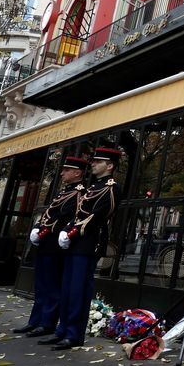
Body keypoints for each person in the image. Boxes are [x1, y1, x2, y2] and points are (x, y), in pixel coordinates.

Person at [42, 147, 121, 350]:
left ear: (110, 166)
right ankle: (63, 330)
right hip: (75, 242)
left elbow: (98, 216)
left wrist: (72, 231)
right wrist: (67, 230)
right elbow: (78, 213)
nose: (93, 164)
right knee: (67, 288)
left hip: (89, 243)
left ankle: (74, 334)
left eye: (98, 162)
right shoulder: (94, 186)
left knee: (78, 290)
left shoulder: (112, 188)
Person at [12, 156, 88, 338]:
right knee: (41, 285)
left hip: (56, 245)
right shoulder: (64, 192)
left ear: (77, 173)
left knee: (53, 287)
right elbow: (49, 212)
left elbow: (69, 217)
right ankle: (35, 320)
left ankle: (47, 323)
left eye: (66, 170)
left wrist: (51, 231)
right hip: (46, 243)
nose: (62, 173)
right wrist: (38, 228)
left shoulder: (80, 192)